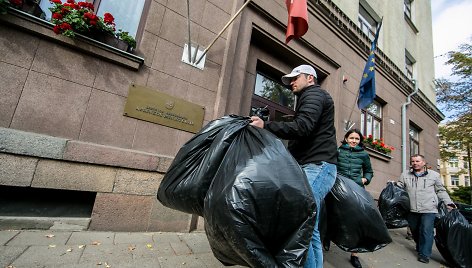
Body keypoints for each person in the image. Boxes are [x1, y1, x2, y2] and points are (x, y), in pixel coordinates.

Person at [250, 64, 337, 268]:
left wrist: (266, 125)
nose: (291, 84)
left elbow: (302, 127)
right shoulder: (310, 97)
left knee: (304, 222)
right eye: (290, 81)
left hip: (318, 166)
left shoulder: (313, 95)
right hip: (315, 165)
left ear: (309, 78)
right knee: (309, 225)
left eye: (295, 79)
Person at [396, 154, 456, 264]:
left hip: (429, 208)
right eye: (413, 161)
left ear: (424, 163)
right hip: (412, 208)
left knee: (426, 231)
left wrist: (449, 202)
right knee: (415, 231)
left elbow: (440, 191)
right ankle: (420, 246)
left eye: (418, 161)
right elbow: (399, 187)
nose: (415, 163)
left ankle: (424, 254)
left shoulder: (434, 175)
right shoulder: (405, 174)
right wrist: (392, 187)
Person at [336, 129, 373, 268]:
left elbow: (369, 171)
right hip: (339, 188)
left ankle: (354, 254)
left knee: (356, 222)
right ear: (346, 139)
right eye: (351, 138)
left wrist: (365, 179)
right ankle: (326, 241)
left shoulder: (363, 154)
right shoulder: (338, 151)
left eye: (357, 139)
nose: (354, 141)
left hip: (357, 189)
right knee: (335, 217)